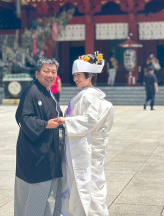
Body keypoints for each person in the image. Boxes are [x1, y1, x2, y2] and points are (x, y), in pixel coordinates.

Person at [58, 52, 114, 216]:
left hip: (83, 148)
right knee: (90, 181)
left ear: (89, 76)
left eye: (79, 75)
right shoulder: (93, 95)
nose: (76, 79)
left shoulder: (87, 96)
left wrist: (65, 121)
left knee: (83, 182)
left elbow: (89, 121)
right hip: (85, 145)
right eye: (74, 75)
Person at [15, 57, 64, 216]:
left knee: (49, 197)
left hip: (49, 154)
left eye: (53, 72)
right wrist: (45, 124)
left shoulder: (49, 93)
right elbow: (24, 118)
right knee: (34, 197)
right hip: (36, 156)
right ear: (37, 73)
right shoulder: (32, 91)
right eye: (46, 71)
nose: (50, 75)